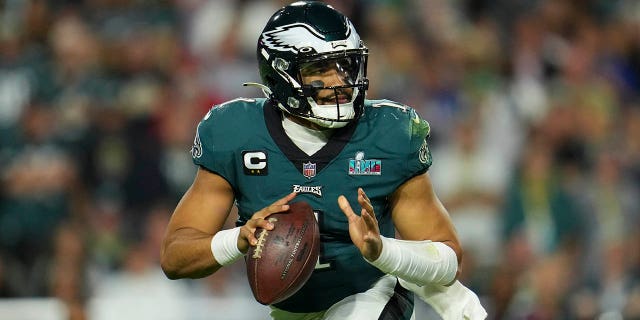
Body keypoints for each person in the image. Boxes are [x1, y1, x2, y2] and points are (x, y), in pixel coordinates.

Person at [160, 1, 486, 319]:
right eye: (319, 69)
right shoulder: (235, 132)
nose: (339, 81)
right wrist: (239, 239)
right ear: (281, 74)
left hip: (369, 293)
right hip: (289, 310)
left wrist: (382, 250)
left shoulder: (389, 133)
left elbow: (449, 258)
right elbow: (175, 257)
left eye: (345, 65)